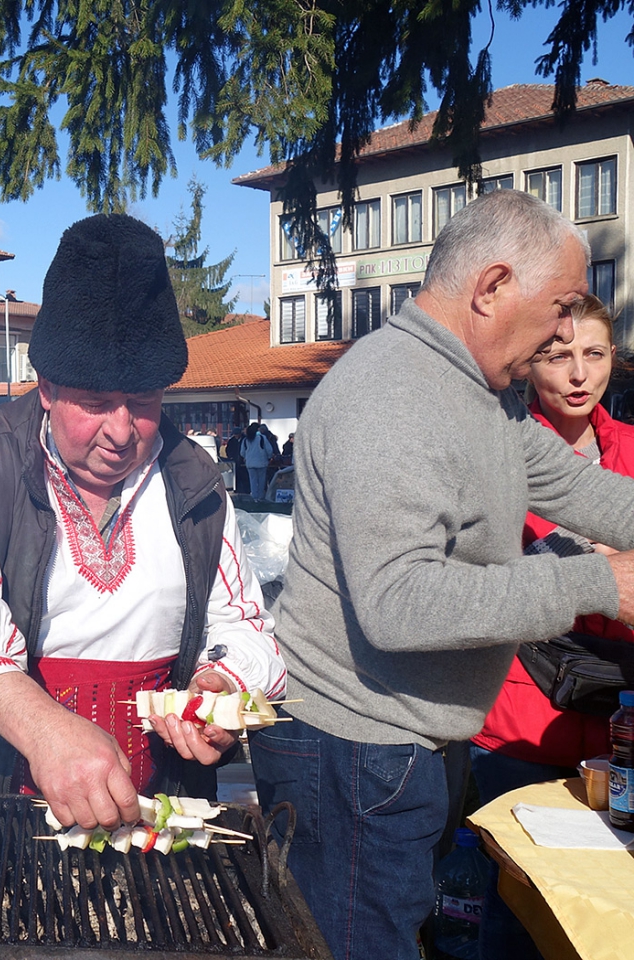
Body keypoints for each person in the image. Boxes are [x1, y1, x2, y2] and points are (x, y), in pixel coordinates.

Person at [248, 189, 634, 960]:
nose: (566, 329)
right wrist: (602, 585)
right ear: (491, 288)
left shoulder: (477, 394)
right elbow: (399, 601)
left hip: (397, 750)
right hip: (355, 751)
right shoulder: (396, 394)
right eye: (559, 305)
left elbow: (578, 487)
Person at [0, 214, 285, 830]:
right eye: (97, 404)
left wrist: (217, 681)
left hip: (149, 806)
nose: (122, 433)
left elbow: (241, 621)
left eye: (145, 402)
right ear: (47, 388)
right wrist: (45, 730)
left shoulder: (194, 480)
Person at [468, 293, 633, 960]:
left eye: (592, 355)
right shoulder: (497, 456)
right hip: (521, 718)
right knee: (517, 912)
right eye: (557, 356)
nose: (577, 374)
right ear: (530, 366)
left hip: (623, 719)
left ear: (612, 361)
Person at [239, 423, 273, 500]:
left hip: (250, 463)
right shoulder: (262, 438)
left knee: (253, 481)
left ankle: (254, 497)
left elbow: (242, 452)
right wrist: (269, 457)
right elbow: (269, 450)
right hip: (261, 462)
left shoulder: (245, 440)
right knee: (261, 480)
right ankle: (261, 497)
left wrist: (247, 457)